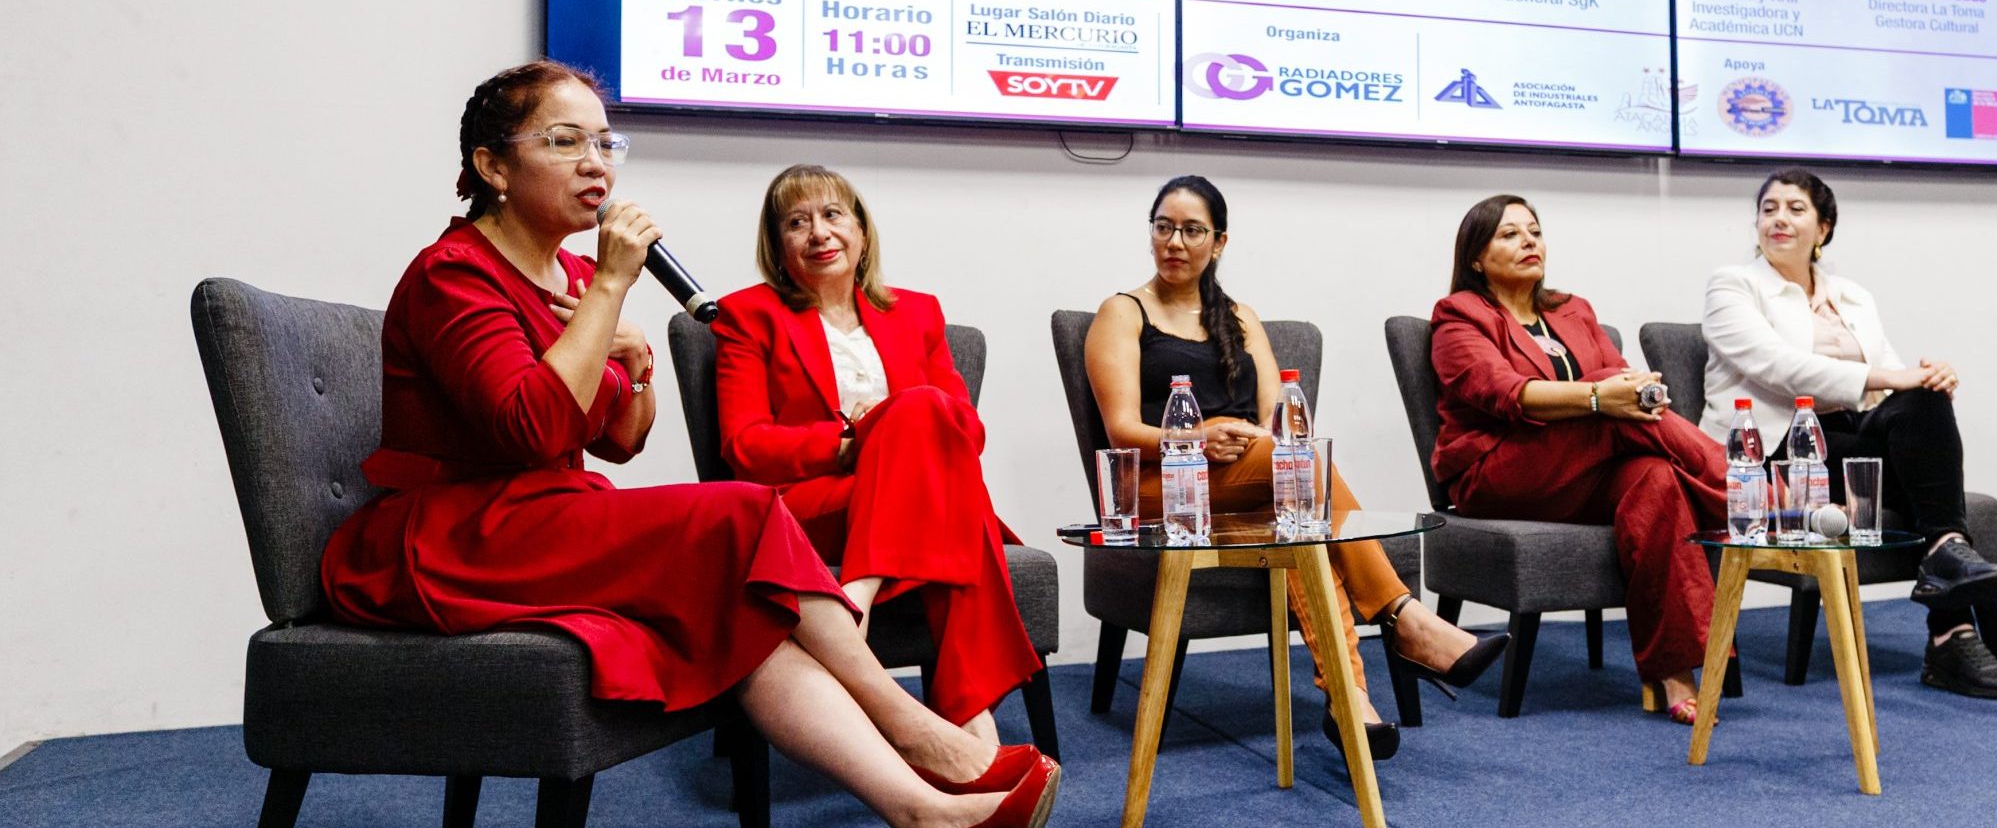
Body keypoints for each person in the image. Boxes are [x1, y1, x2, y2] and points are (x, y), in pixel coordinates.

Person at [320, 62, 1057, 828]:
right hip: (457, 533)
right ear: (493, 165)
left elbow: (622, 444)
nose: (595, 162)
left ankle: (920, 811)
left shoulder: (567, 272)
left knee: (746, 612)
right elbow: (531, 428)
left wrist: (635, 371)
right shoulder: (455, 274)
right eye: (565, 141)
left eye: (605, 143)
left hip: (548, 512)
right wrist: (609, 292)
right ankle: (915, 730)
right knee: (739, 514)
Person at [1086, 176, 1504, 760]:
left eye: (1192, 230)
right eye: (1163, 227)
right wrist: (1198, 437)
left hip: (1248, 480)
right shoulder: (1123, 312)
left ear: (1220, 241)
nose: (1174, 241)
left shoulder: (1241, 317)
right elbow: (1121, 430)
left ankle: (1349, 697)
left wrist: (1249, 438)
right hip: (1163, 488)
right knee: (1304, 470)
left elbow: (1273, 420)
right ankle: (1404, 618)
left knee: (1306, 523)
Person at [712, 165, 1042, 744]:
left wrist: (893, 427)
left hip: (901, 501)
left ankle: (859, 594)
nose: (819, 233)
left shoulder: (917, 312)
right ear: (777, 244)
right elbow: (745, 446)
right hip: (809, 507)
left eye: (833, 215)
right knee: (951, 499)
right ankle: (967, 714)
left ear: (862, 232)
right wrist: (851, 444)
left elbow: (966, 431)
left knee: (920, 409)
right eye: (797, 222)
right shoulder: (747, 316)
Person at [1699, 169, 1997, 700]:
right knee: (1922, 482)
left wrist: (1925, 380)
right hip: (1776, 448)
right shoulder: (1732, 286)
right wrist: (1888, 377)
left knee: (1924, 402)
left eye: (1796, 208)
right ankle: (1951, 628)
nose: (1779, 217)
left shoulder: (1851, 295)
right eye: (1769, 208)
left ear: (1823, 229)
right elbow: (1778, 366)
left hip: (1849, 433)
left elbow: (1892, 380)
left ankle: (1946, 552)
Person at [1429, 195, 1728, 724]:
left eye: (1535, 231)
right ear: (1476, 257)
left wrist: (1634, 393)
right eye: (1509, 234)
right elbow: (1505, 393)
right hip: (1498, 471)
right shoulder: (1459, 317)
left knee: (1656, 478)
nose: (1529, 242)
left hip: (1585, 469)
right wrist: (1597, 398)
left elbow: (1622, 378)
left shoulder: (1574, 309)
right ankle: (1748, 498)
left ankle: (1672, 670)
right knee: (1609, 407)